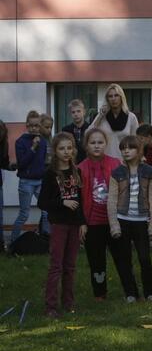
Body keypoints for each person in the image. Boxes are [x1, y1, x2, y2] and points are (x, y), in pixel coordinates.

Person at [108, 136, 152, 303]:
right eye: (123, 148)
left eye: (130, 148)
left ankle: (149, 293)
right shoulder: (117, 173)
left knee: (145, 258)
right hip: (122, 220)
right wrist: (114, 226)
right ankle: (130, 293)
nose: (126, 151)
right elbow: (111, 200)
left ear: (139, 151)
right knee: (124, 259)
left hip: (141, 221)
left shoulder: (149, 172)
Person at [38, 133, 84, 318]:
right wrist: (62, 203)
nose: (66, 152)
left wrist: (83, 223)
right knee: (56, 265)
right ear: (55, 151)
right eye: (62, 148)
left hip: (74, 225)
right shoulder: (50, 174)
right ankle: (50, 306)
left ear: (73, 149)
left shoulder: (76, 172)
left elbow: (80, 199)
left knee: (70, 266)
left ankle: (68, 303)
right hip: (58, 224)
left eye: (69, 148)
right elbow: (42, 202)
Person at [78, 128, 126, 301]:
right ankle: (100, 293)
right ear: (86, 146)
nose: (97, 146)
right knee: (96, 260)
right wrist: (81, 222)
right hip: (92, 222)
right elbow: (78, 198)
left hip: (114, 221)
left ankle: (130, 292)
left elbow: (124, 190)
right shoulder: (80, 168)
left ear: (106, 144)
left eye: (100, 142)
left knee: (122, 258)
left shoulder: (115, 163)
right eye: (93, 143)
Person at [11, 110, 48, 245]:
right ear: (27, 125)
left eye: (37, 126)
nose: (34, 128)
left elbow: (43, 161)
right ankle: (13, 242)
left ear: (40, 126)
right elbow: (22, 163)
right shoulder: (20, 142)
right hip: (26, 182)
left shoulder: (43, 141)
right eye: (32, 125)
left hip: (40, 181)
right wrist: (33, 147)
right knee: (24, 214)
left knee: (46, 211)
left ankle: (46, 241)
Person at [88, 84, 139, 159]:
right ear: (107, 99)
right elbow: (88, 133)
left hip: (124, 162)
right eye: (110, 96)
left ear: (121, 97)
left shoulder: (131, 117)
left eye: (116, 95)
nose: (113, 99)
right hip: (104, 161)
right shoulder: (102, 116)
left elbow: (136, 142)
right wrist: (100, 116)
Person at [0, 120, 13, 252]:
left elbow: (5, 163)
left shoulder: (4, 145)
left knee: (0, 215)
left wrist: (12, 167)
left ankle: (1, 243)